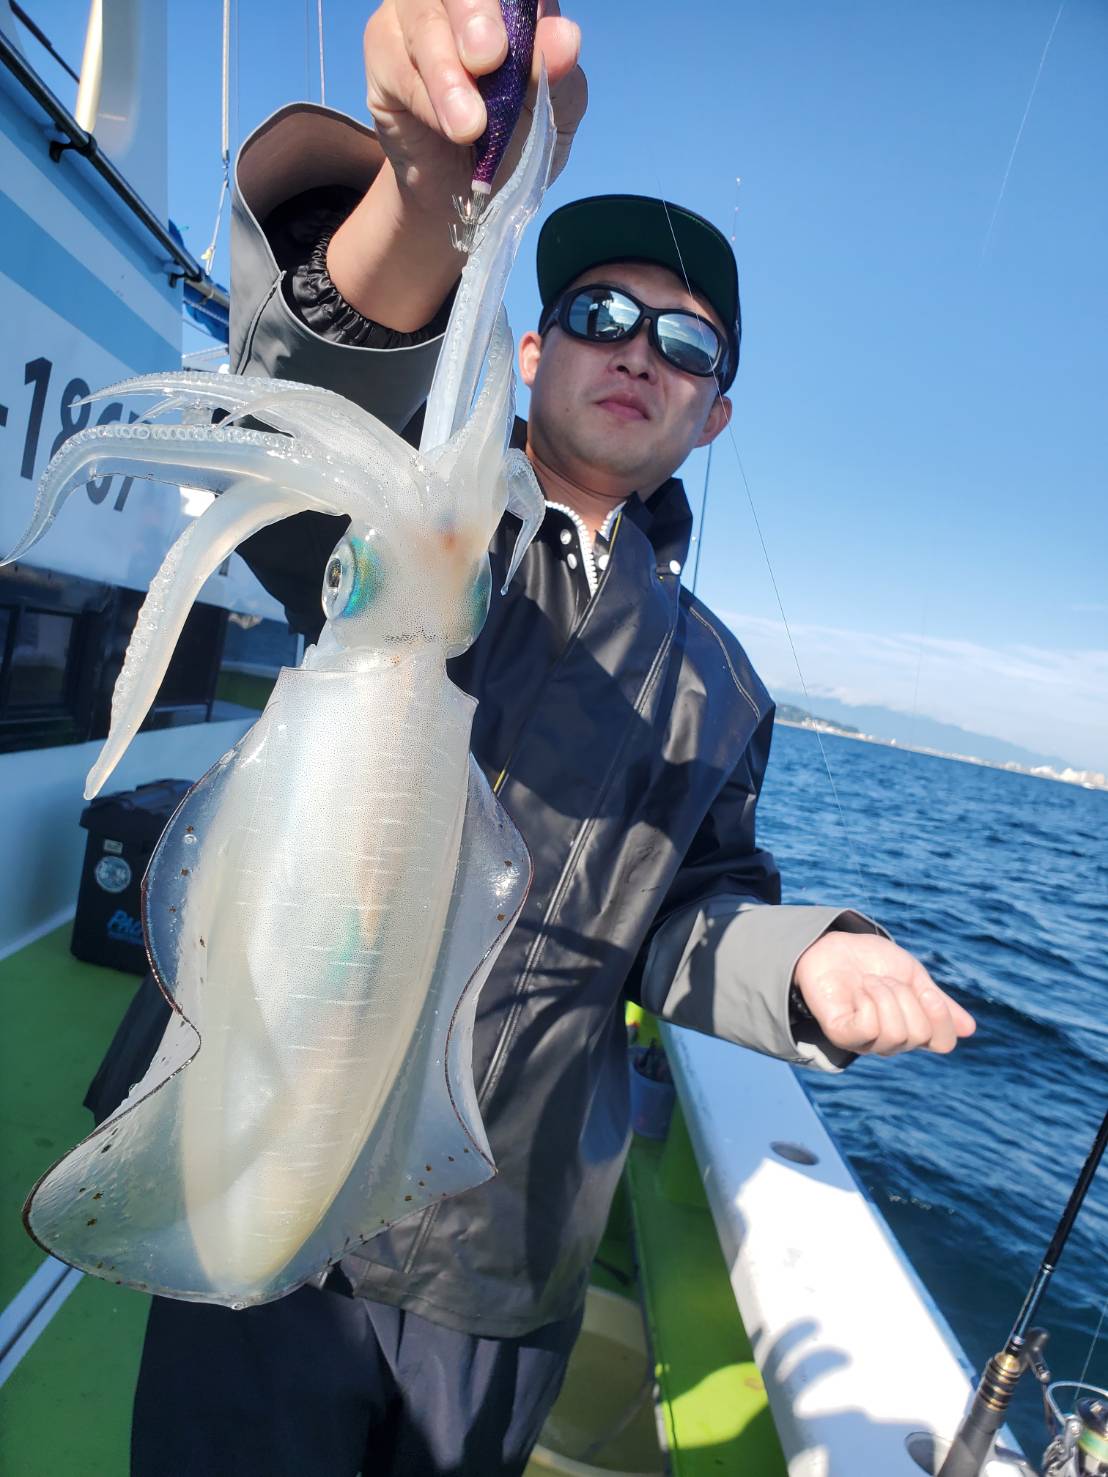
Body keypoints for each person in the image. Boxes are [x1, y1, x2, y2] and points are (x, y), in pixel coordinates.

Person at [89, 4, 975, 1473]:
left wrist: (807, 959)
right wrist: (429, 194)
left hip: (502, 1261)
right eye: (599, 315)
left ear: (717, 413)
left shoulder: (722, 685)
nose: (638, 350)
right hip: (274, 1149)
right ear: (529, 348)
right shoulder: (411, 518)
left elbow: (690, 916)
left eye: (683, 341)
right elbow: (329, 388)